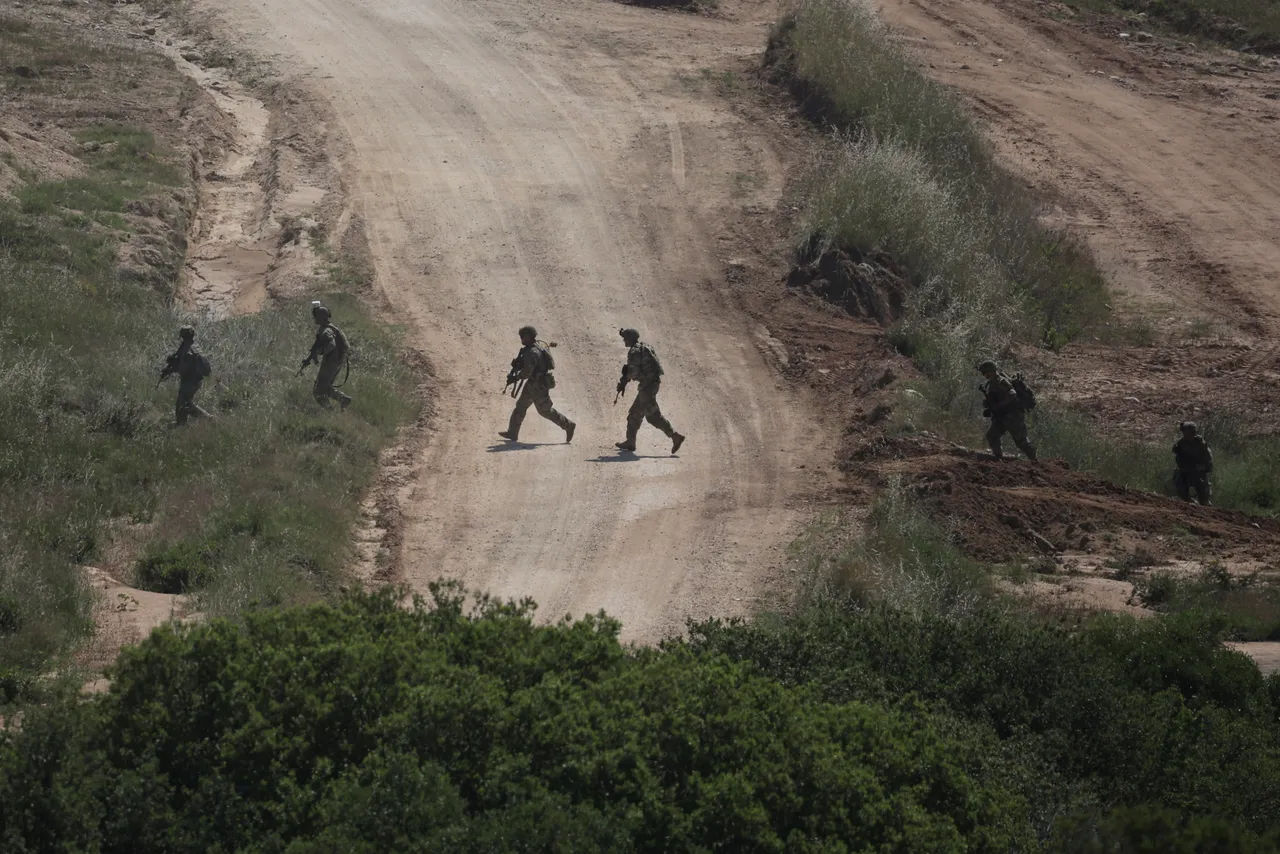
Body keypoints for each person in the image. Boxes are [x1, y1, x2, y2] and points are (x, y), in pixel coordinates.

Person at [498, 325, 575, 443]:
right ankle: (512, 433)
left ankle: (568, 425)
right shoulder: (537, 346)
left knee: (545, 410)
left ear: (528, 337)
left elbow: (528, 371)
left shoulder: (532, 352)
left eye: (522, 337)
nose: (521, 339)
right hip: (533, 383)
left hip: (539, 385)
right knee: (521, 406)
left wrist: (516, 378)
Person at [615, 327, 684, 454]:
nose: (624, 340)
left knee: (653, 417)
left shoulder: (634, 352)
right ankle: (630, 442)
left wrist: (624, 380)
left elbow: (633, 373)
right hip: (650, 384)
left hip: (647, 387)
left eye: (625, 338)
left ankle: (675, 436)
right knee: (635, 413)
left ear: (630, 338)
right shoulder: (645, 347)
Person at [977, 360, 1036, 461]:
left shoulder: (1001, 381)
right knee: (992, 436)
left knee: (1021, 442)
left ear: (991, 371)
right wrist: (989, 405)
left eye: (985, 372)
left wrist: (999, 406)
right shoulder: (991, 384)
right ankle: (998, 458)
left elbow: (1012, 394)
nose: (984, 375)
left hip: (1012, 416)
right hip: (1002, 417)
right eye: (983, 373)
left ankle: (1035, 461)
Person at [300, 301, 351, 410]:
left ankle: (329, 410)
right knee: (325, 387)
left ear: (321, 318)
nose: (314, 319)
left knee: (318, 390)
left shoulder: (325, 331)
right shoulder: (331, 327)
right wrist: (310, 357)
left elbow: (331, 345)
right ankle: (343, 399)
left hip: (331, 362)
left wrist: (319, 352)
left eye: (316, 316)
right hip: (337, 361)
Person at [161, 326, 212, 426]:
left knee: (183, 404)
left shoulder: (188, 350)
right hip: (193, 379)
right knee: (184, 403)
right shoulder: (192, 346)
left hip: (190, 381)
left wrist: (170, 370)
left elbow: (183, 368)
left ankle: (206, 418)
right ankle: (182, 423)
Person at [1172, 421, 1213, 506]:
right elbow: (1177, 457)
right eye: (1185, 432)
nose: (1187, 434)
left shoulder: (1200, 443)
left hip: (1198, 470)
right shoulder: (1180, 443)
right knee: (1179, 484)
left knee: (1203, 491)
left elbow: (1208, 457)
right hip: (1186, 469)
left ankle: (1205, 505)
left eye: (1189, 432)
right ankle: (1191, 503)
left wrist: (1203, 466)